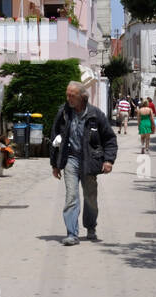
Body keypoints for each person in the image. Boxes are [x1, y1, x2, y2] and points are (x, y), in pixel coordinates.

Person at [49, 81, 117, 246]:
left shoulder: (95, 115)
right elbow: (54, 136)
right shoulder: (64, 113)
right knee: (71, 196)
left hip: (89, 160)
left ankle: (91, 226)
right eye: (67, 95)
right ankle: (72, 233)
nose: (68, 98)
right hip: (70, 159)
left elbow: (109, 138)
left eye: (72, 95)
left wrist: (108, 160)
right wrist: (55, 164)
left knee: (90, 197)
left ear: (82, 97)